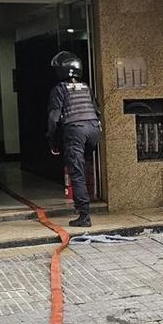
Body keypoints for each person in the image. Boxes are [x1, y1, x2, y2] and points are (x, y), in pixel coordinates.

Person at [46, 51, 101, 228]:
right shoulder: (86, 87)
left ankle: (84, 216)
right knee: (83, 168)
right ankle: (87, 201)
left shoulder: (59, 89)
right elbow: (96, 110)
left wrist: (52, 141)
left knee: (77, 173)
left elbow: (54, 118)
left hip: (75, 130)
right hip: (94, 130)